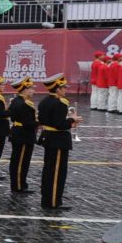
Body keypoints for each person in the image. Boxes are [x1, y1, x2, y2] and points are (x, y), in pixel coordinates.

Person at [38, 76, 76, 210]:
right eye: (64, 87)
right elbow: (59, 124)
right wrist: (72, 120)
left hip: (48, 137)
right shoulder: (60, 103)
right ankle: (53, 201)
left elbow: (42, 120)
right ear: (58, 89)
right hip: (58, 140)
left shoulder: (44, 101)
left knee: (48, 170)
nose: (65, 90)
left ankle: (46, 199)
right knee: (57, 173)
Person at [7, 80, 38, 194]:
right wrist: (39, 123)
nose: (33, 90)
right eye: (31, 88)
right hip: (24, 134)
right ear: (25, 90)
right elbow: (28, 122)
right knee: (21, 162)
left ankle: (19, 184)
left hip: (18, 132)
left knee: (17, 160)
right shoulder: (24, 104)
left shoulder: (16, 100)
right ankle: (18, 186)